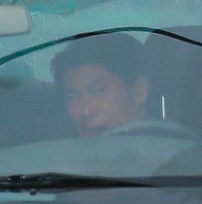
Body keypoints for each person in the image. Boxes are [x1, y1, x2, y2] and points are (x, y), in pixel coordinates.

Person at [53, 33, 181, 138]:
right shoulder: (56, 164)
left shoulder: (182, 155)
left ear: (138, 90)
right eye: (74, 98)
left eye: (99, 91)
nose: (86, 111)